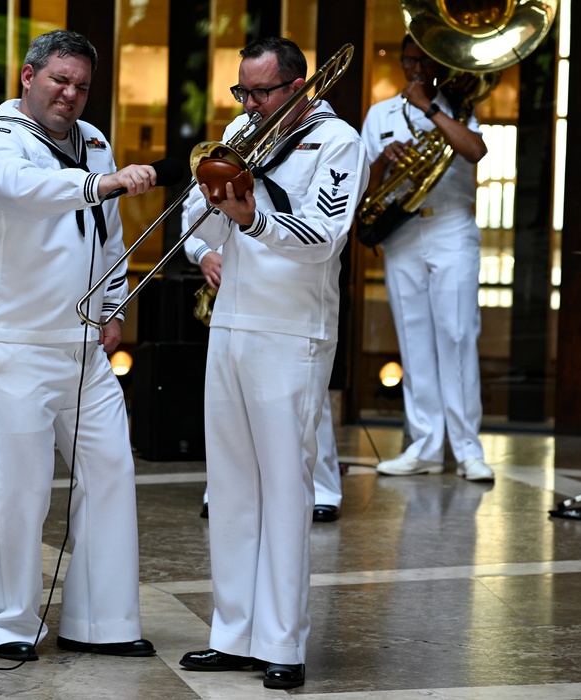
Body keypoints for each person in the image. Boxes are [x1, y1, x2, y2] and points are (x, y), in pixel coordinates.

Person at [0, 29, 158, 663]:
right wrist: (104, 185)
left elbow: (107, 232)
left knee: (110, 471)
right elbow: (26, 193)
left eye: (80, 86)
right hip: (9, 343)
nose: (70, 95)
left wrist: (112, 304)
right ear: (28, 76)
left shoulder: (94, 141)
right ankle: (9, 625)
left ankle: (102, 620)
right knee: (21, 490)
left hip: (81, 346)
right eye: (58, 81)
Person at [177, 37, 367, 689]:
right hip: (230, 322)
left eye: (261, 92)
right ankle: (233, 634)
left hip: (292, 332)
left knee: (286, 488)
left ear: (296, 86)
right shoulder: (239, 129)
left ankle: (282, 642)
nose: (249, 105)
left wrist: (255, 222)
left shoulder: (338, 142)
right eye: (243, 92)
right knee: (229, 486)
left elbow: (325, 237)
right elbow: (192, 211)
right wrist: (202, 250)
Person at [361, 35, 494, 482]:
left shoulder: (458, 104)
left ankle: (468, 448)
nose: (415, 68)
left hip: (451, 226)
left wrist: (429, 108)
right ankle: (425, 446)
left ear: (439, 65)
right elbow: (361, 183)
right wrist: (383, 160)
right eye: (409, 60)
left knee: (457, 333)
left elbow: (474, 150)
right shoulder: (379, 114)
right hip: (402, 230)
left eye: (424, 61)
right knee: (414, 338)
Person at [184, 239, 344, 522]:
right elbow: (192, 210)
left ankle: (323, 488)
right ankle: (223, 490)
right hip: (237, 287)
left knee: (304, 395)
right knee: (233, 402)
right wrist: (203, 254)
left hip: (291, 282)